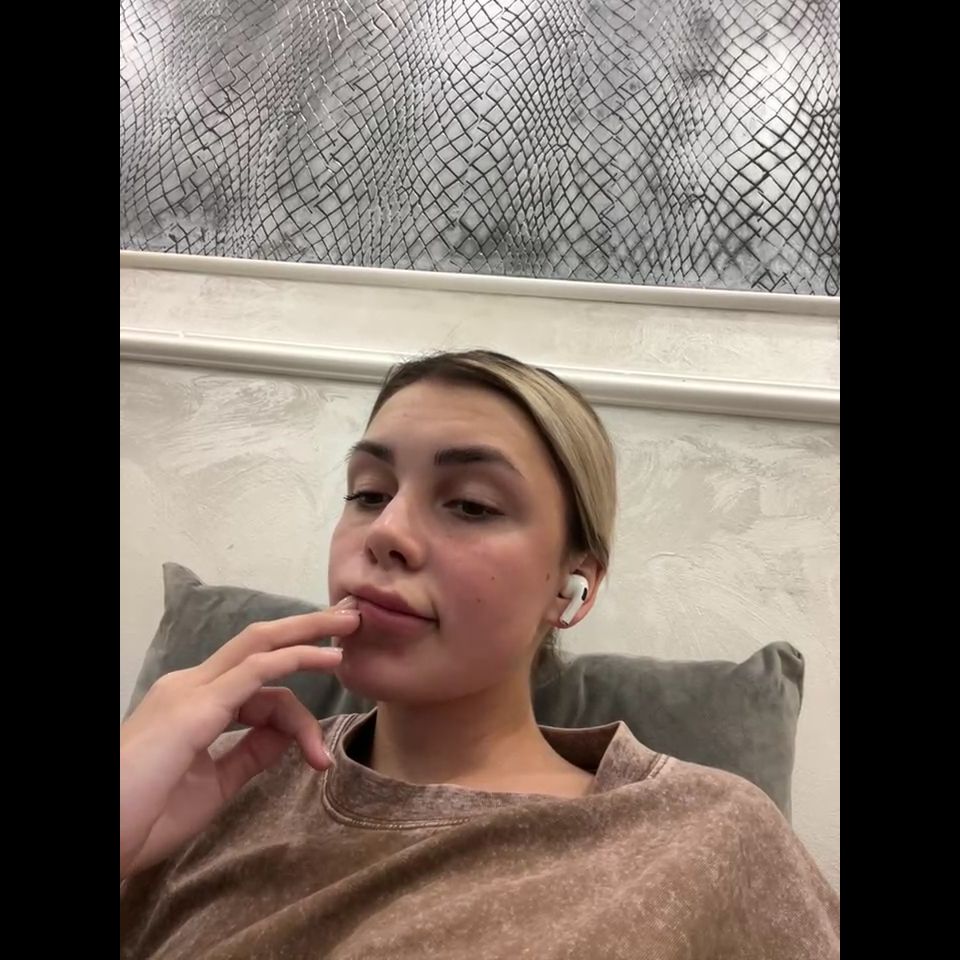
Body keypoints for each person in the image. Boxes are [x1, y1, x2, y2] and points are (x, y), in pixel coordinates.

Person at [120, 350, 839, 959]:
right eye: (368, 493)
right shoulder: (211, 783)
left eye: (470, 504)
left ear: (573, 586)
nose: (386, 531)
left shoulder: (703, 834)